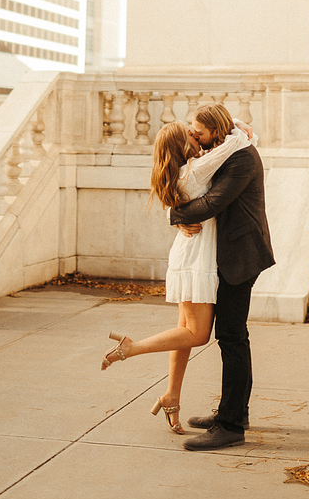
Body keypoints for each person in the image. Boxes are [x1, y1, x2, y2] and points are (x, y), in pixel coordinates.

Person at [100, 116, 252, 436]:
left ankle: (171, 396)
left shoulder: (182, 173)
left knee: (185, 330)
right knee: (197, 335)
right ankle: (132, 347)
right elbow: (237, 142)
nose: (197, 136)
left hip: (189, 254)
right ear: (184, 146)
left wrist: (177, 217)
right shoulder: (196, 170)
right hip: (196, 259)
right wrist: (236, 126)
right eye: (191, 135)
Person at [171, 103, 275, 452]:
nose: (192, 134)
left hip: (240, 255)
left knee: (232, 337)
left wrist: (175, 213)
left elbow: (215, 202)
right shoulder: (226, 148)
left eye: (198, 129)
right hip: (229, 252)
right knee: (230, 337)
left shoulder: (241, 158)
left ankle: (230, 426)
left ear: (215, 131)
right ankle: (233, 412)